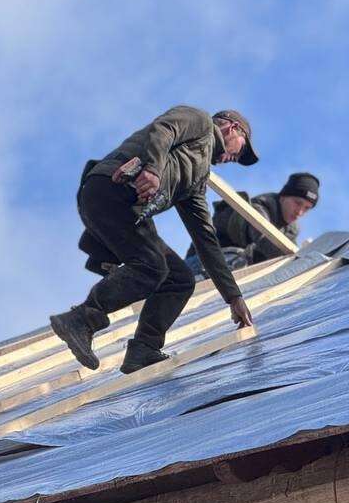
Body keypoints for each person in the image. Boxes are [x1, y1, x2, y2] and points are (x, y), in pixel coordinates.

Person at [50, 105, 258, 375]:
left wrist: (233, 297)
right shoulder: (200, 122)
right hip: (111, 189)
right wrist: (153, 169)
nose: (236, 158)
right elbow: (164, 130)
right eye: (241, 150)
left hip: (129, 213)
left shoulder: (196, 181)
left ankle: (144, 349)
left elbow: (205, 239)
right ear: (232, 127)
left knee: (179, 278)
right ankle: (81, 319)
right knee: (152, 266)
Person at [185, 171, 320, 276]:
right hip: (199, 266)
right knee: (238, 259)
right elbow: (262, 238)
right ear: (283, 197)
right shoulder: (256, 210)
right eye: (297, 203)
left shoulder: (289, 232)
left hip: (228, 277)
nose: (300, 212)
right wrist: (297, 261)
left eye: (307, 208)